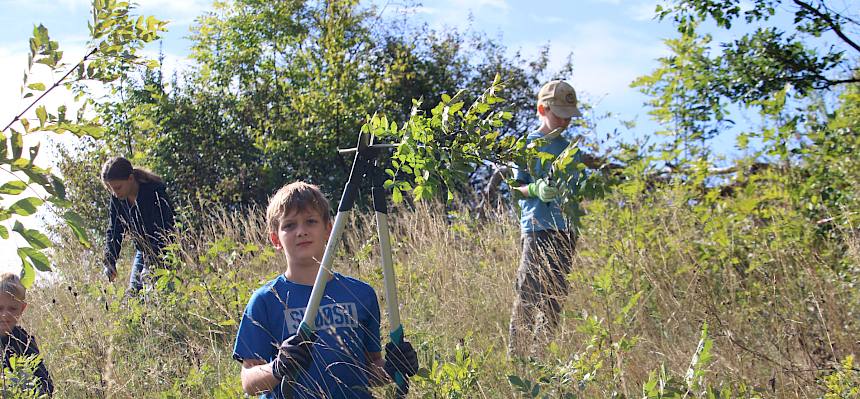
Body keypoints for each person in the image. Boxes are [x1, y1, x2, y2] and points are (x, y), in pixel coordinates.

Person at [232, 181, 418, 399]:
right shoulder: (265, 300)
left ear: (329, 229)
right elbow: (249, 383)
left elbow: (367, 371)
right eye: (289, 225)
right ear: (276, 238)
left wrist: (394, 368)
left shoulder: (360, 294)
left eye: (311, 221)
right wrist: (277, 367)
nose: (301, 231)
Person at [508, 80, 593, 358]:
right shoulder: (527, 145)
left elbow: (578, 188)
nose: (565, 121)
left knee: (554, 299)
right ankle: (517, 361)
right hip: (537, 229)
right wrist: (535, 189)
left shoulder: (571, 150)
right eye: (560, 114)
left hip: (565, 231)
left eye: (569, 116)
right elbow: (514, 188)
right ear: (542, 109)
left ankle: (540, 359)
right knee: (529, 295)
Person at [101, 156, 176, 294]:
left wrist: (151, 266)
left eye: (118, 187)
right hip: (142, 251)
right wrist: (110, 261)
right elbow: (114, 230)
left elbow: (166, 228)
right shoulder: (117, 199)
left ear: (130, 179)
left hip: (166, 250)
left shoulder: (154, 192)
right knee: (134, 295)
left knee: (159, 294)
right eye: (110, 189)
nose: (115, 194)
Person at [0, 272, 54, 396]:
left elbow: (45, 384)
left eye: (12, 309)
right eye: (0, 308)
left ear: (22, 308)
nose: (5, 314)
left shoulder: (24, 340)